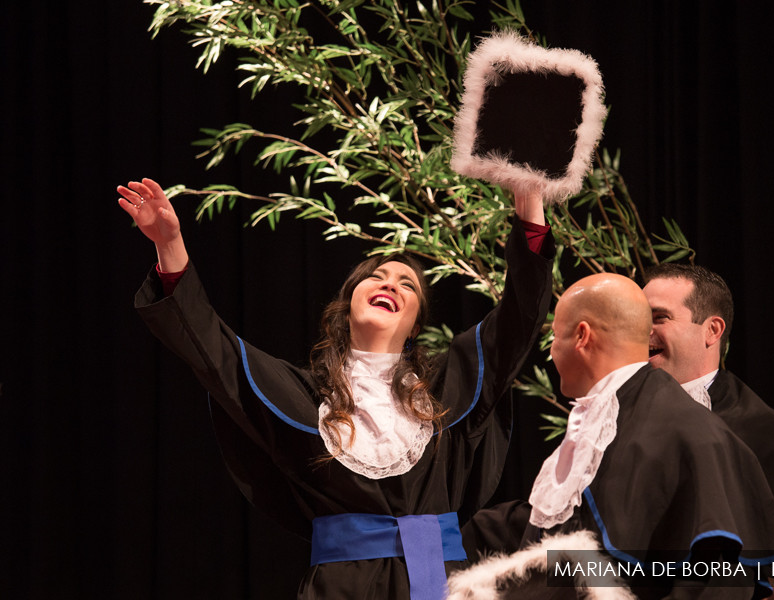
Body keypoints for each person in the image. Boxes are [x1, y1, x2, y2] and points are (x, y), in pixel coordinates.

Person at [117, 177, 555, 600]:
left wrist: (530, 207)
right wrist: (169, 244)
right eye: (377, 276)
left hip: (436, 579)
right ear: (348, 305)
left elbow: (519, 317)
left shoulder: (449, 389)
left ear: (416, 323)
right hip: (340, 587)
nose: (390, 284)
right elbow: (212, 348)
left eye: (407, 285)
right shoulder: (302, 399)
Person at [457, 273, 774, 599]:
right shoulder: (608, 419)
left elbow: (717, 578)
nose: (551, 353)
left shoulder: (686, 428)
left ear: (582, 336)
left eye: (555, 338)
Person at [641, 265, 774, 559]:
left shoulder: (772, 440)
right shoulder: (612, 422)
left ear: (712, 330)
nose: (642, 331)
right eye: (638, 320)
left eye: (659, 318)